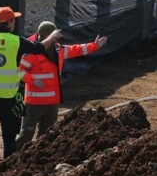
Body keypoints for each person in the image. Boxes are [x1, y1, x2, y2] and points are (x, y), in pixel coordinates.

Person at [0, 6, 63, 164]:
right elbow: (38, 48)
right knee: (9, 136)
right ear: (9, 22)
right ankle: (8, 169)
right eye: (13, 20)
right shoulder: (16, 41)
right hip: (8, 96)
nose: (14, 23)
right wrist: (52, 37)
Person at [15, 21, 107, 150]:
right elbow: (19, 71)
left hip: (52, 102)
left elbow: (77, 49)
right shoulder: (31, 53)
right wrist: (32, 80)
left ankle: (40, 159)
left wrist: (95, 46)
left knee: (46, 136)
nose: (57, 39)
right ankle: (11, 156)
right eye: (54, 36)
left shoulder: (59, 50)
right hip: (34, 102)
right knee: (26, 135)